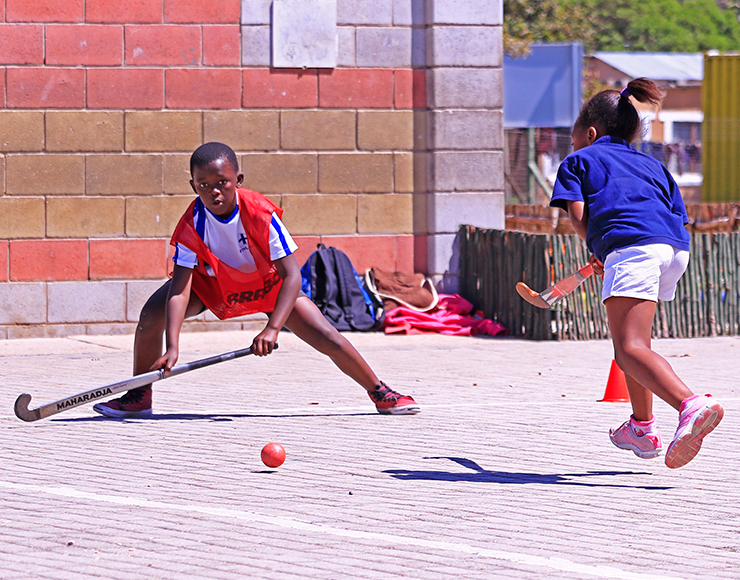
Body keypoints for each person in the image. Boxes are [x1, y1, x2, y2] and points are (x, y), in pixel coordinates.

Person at [93, 142, 420, 419]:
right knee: (152, 314)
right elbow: (180, 290)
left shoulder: (260, 215)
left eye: (221, 182)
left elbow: (292, 275)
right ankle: (138, 396)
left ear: (238, 179)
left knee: (327, 336)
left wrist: (273, 328)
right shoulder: (191, 224)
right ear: (193, 186)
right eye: (203, 184)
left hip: (269, 286)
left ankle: (380, 392)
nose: (213, 191)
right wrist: (174, 346)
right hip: (217, 287)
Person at [550, 78, 723, 469]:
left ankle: (690, 404)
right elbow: (675, 214)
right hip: (673, 249)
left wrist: (603, 248)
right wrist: (614, 251)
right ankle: (642, 427)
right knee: (635, 347)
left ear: (589, 132)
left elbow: (579, 216)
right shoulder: (653, 164)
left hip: (634, 249)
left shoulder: (579, 160)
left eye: (575, 132)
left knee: (629, 349)